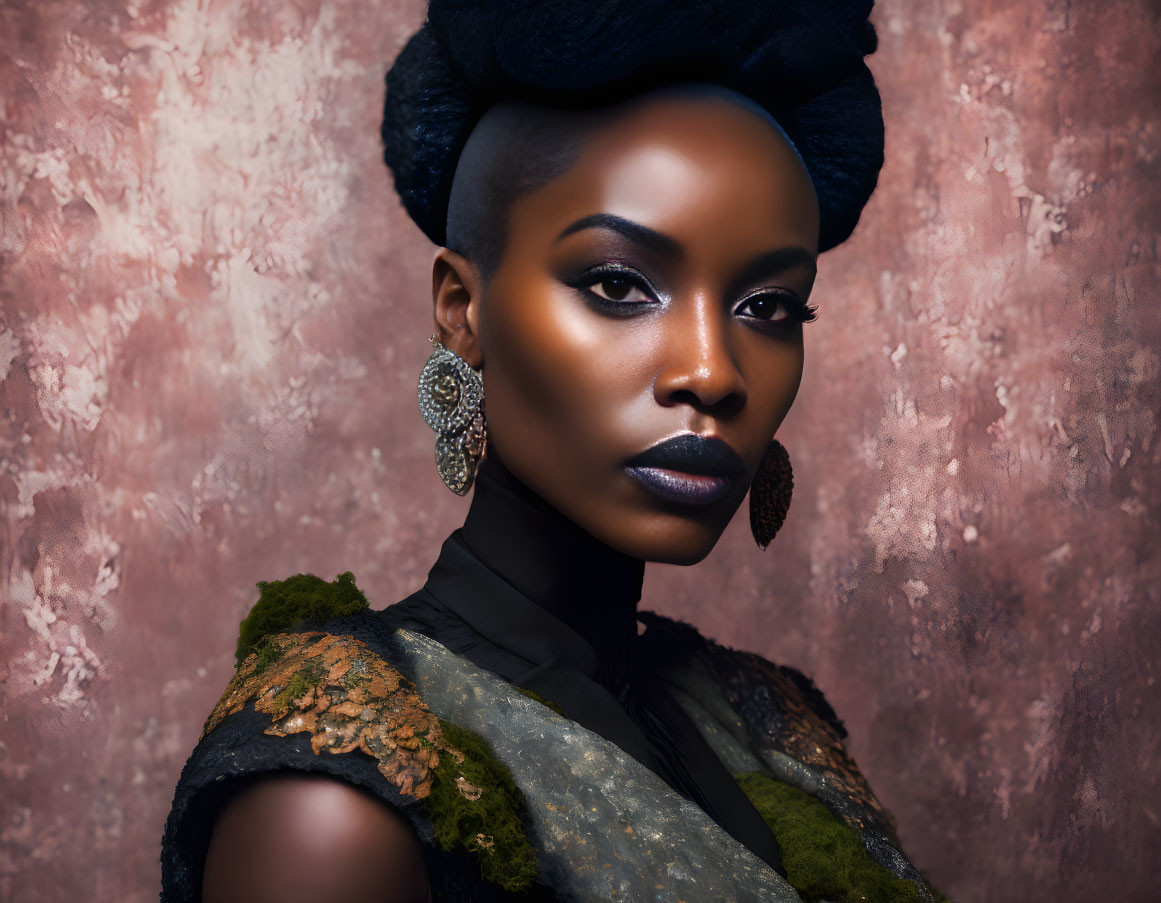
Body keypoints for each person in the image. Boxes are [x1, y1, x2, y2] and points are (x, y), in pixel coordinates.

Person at [161, 1, 947, 901]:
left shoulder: (764, 717)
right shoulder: (337, 796)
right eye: (618, 284)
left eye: (768, 306)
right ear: (463, 310)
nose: (712, 372)